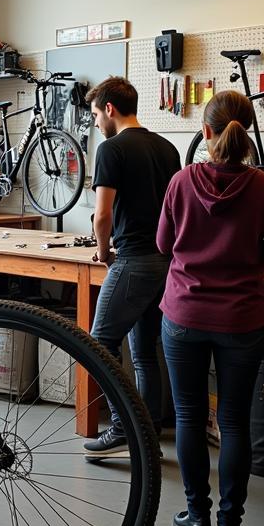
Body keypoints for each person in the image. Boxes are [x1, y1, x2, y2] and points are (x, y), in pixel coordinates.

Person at [158, 91, 264, 526]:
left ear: (206, 132)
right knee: (234, 423)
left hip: (183, 317)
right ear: (248, 132)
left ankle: (197, 518)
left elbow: (162, 243)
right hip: (242, 320)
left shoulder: (181, 181)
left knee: (189, 419)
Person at [82, 76, 181, 460]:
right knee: (143, 353)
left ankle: (123, 426)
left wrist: (103, 251)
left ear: (110, 109)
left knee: (98, 342)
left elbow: (102, 215)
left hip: (134, 260)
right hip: (165, 262)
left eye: (94, 114)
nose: (94, 123)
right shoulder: (168, 148)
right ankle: (148, 436)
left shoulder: (111, 149)